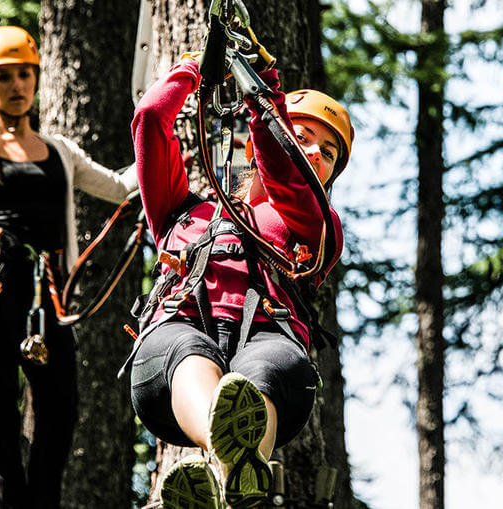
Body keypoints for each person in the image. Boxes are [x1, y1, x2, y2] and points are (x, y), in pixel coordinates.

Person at [128, 54, 353, 509]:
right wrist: (194, 68)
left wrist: (261, 92)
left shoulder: (319, 224)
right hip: (174, 341)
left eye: (327, 152)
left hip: (271, 339)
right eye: (304, 137)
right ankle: (238, 471)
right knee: (186, 352)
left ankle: (230, 476)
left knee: (264, 372)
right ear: (255, 144)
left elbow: (287, 175)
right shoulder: (184, 209)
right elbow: (151, 118)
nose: (313, 152)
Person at [0, 25, 137, 508]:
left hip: (51, 293)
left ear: (36, 78)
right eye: (3, 77)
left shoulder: (60, 151)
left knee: (60, 409)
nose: (16, 85)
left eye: (24, 74)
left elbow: (118, 187)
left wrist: (170, 146)